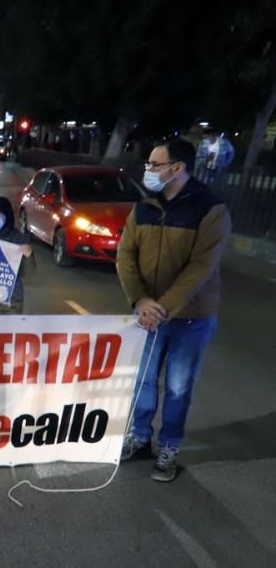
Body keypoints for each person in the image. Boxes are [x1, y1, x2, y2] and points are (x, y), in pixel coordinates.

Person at [117, 138, 231, 483]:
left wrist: (161, 307)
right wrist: (140, 300)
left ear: (177, 168)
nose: (148, 170)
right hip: (147, 314)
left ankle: (169, 446)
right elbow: (125, 256)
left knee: (179, 388)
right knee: (143, 382)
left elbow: (200, 269)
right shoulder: (144, 207)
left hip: (190, 319)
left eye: (154, 164)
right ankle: (140, 438)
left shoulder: (211, 210)